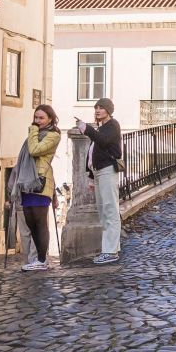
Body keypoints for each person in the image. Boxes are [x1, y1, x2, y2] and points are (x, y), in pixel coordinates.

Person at [76, 98, 122, 265]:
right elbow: (92, 153)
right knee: (103, 212)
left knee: (110, 209)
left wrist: (87, 129)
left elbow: (103, 141)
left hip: (107, 171)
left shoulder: (112, 125)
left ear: (108, 111)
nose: (97, 110)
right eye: (96, 107)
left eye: (101, 108)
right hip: (98, 173)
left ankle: (110, 252)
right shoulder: (102, 128)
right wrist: (90, 175)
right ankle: (111, 249)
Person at [15, 105, 61, 271]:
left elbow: (34, 150)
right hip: (27, 181)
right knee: (30, 222)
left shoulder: (53, 135)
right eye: (36, 118)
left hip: (41, 181)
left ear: (50, 118)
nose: (37, 121)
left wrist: (32, 131)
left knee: (40, 221)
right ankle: (37, 259)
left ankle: (42, 260)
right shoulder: (35, 134)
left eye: (41, 118)